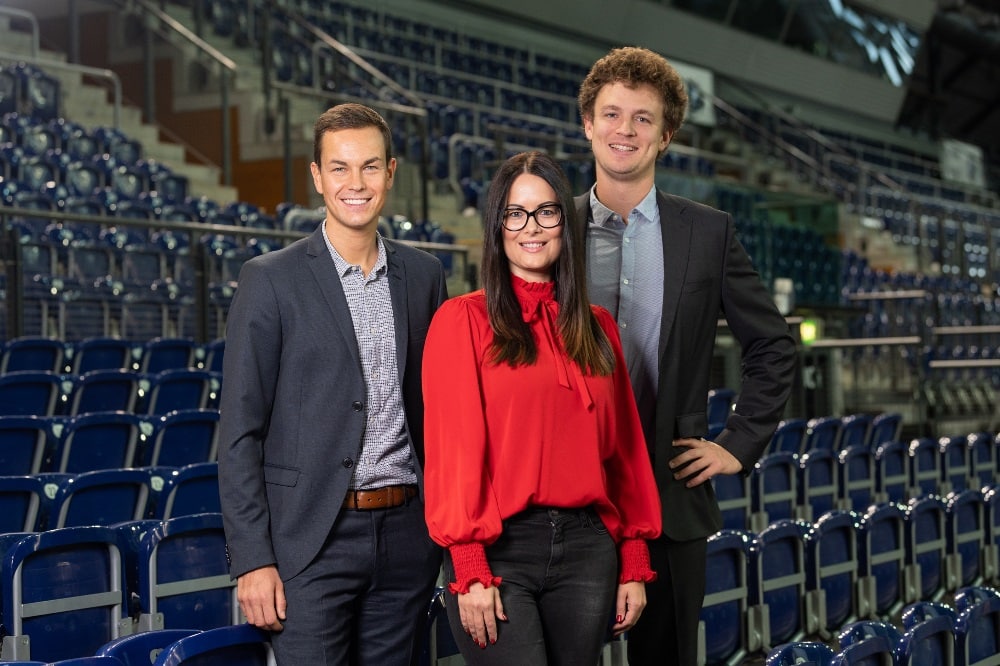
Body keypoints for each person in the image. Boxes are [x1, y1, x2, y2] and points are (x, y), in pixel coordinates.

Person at [575, 46, 798, 665]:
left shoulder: (708, 231)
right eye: (612, 114)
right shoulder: (550, 229)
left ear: (666, 135)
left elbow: (773, 345)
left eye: (643, 119)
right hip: (567, 495)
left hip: (671, 491)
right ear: (587, 124)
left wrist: (738, 441)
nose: (626, 130)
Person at [218, 102, 447, 665]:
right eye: (339, 168)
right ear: (317, 177)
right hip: (311, 539)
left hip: (405, 536)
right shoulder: (269, 280)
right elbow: (239, 432)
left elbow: (437, 413)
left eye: (370, 167)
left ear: (391, 173)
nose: (356, 183)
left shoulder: (423, 276)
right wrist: (253, 559)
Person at [422, 150, 662, 666]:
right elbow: (453, 455)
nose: (532, 227)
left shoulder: (597, 329)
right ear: (498, 226)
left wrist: (634, 557)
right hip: (501, 550)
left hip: (588, 551)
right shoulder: (461, 322)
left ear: (564, 224)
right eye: (516, 213)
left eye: (547, 211)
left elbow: (624, 455)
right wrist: (468, 564)